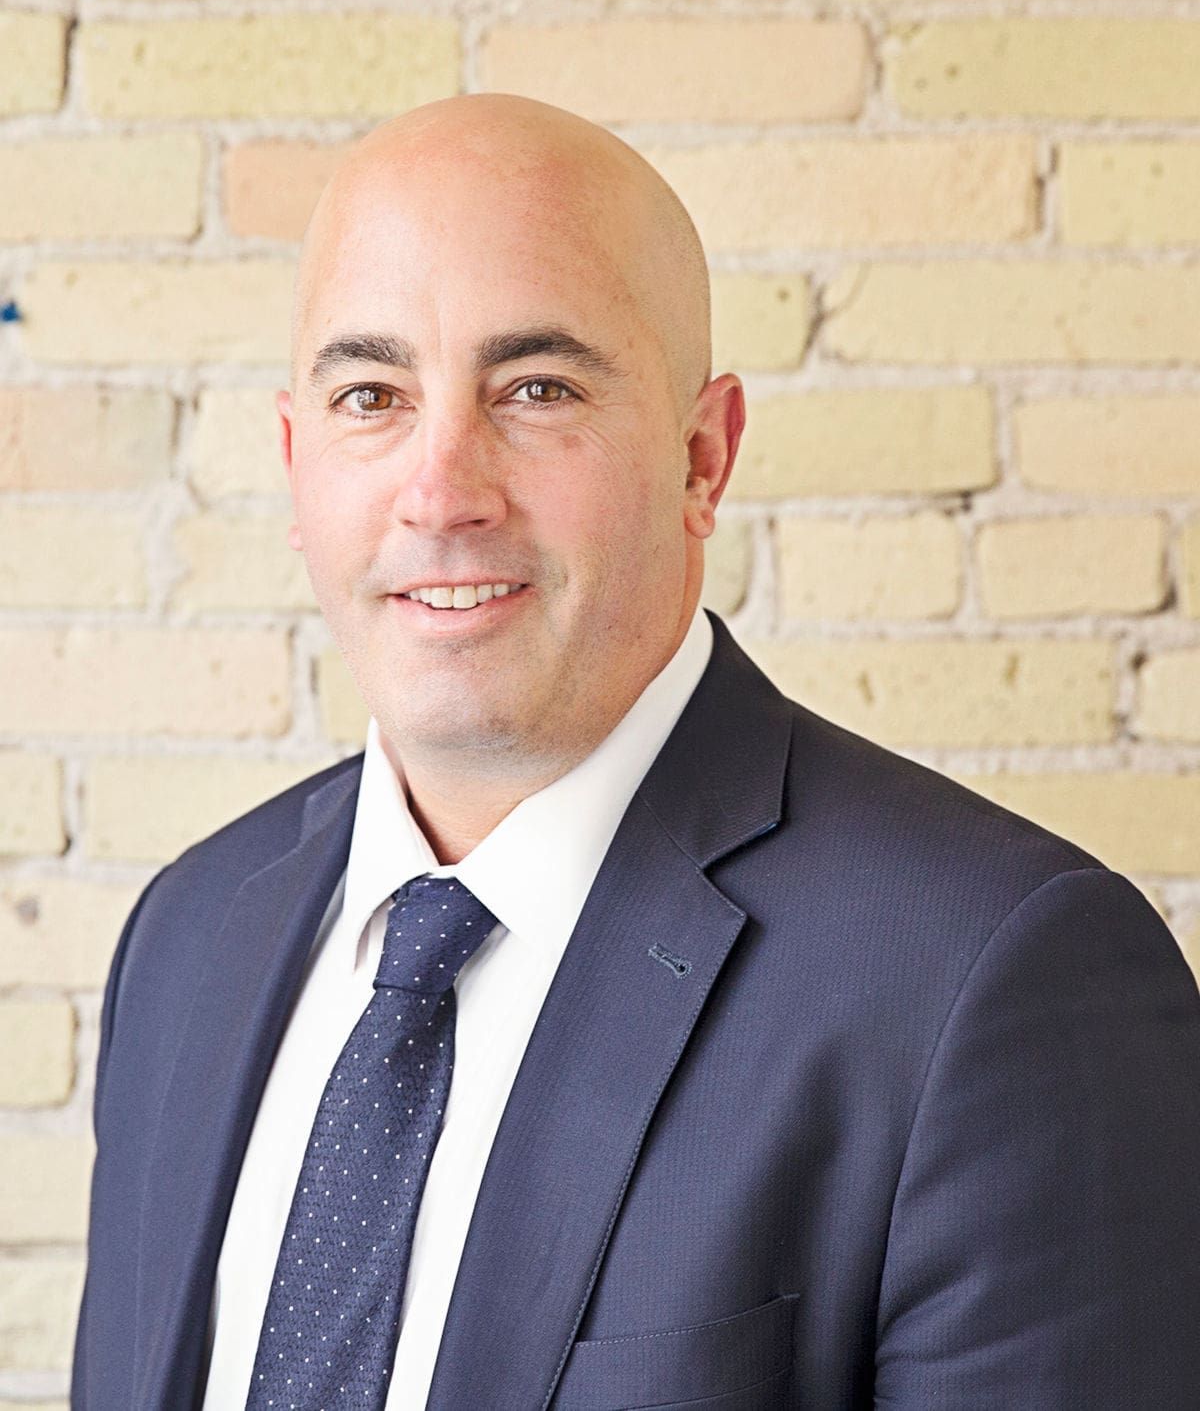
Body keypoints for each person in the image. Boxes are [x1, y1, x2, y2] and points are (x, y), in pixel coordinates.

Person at [72, 93, 1200, 1411]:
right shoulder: (189, 937)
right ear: (294, 460)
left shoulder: (996, 980)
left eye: (536, 388)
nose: (441, 491)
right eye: (370, 395)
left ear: (701, 458)